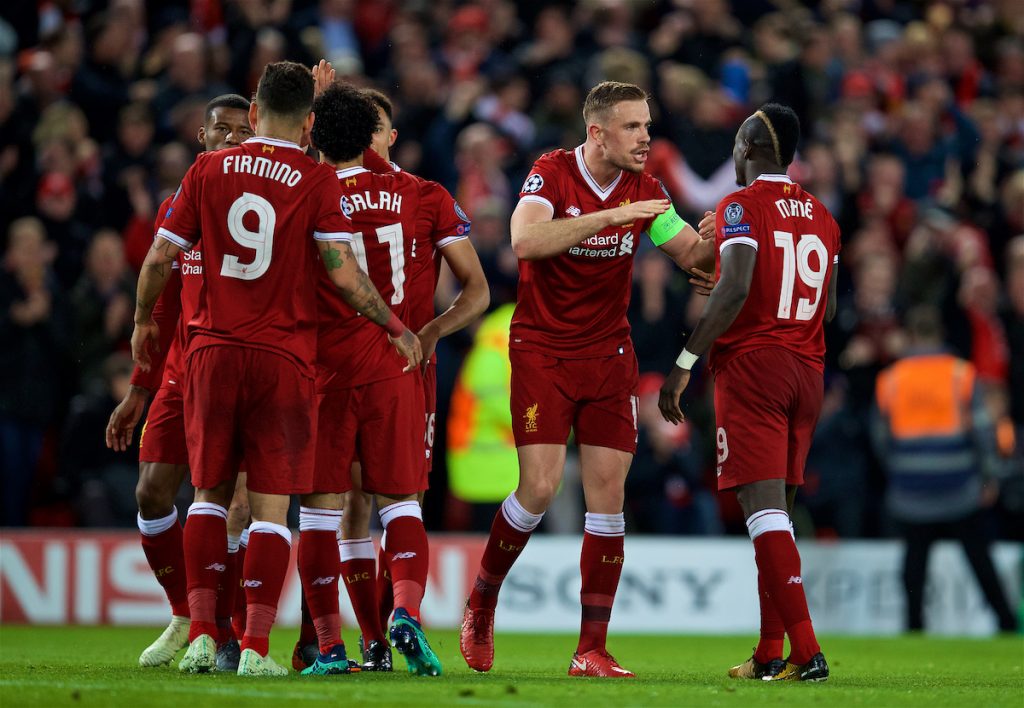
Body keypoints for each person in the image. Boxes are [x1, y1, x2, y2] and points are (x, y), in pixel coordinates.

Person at [130, 61, 421, 677]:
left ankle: (204, 636)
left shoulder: (206, 168)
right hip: (285, 357)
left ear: (254, 115)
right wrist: (393, 325)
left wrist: (140, 324)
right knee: (269, 507)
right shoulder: (315, 179)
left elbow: (160, 257)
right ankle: (257, 648)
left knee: (207, 497)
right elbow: (342, 271)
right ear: (309, 123)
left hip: (211, 350)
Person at [459, 80, 715, 678]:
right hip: (543, 350)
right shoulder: (551, 172)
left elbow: (689, 255)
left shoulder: (647, 191)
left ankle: (591, 649)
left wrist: (714, 243)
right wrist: (615, 214)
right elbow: (526, 240)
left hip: (608, 355)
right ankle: (482, 601)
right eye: (633, 127)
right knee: (541, 490)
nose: (646, 138)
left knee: (608, 500)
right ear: (597, 132)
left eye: (648, 127)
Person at [658, 103, 839, 682]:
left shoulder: (739, 206)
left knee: (760, 512)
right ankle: (768, 652)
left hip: (755, 368)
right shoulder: (824, 217)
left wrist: (686, 361)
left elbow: (733, 288)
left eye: (737, 145)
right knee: (778, 515)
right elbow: (827, 306)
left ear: (750, 148)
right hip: (808, 371)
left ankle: (807, 652)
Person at [106, 94, 256, 671]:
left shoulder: (261, 205)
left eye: (244, 130)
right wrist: (138, 393)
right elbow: (163, 308)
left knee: (232, 503)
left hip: (241, 369)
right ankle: (183, 614)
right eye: (222, 129)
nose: (232, 138)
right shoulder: (179, 206)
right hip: (180, 373)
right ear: (201, 135)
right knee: (150, 493)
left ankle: (230, 630)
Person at [872, 305, 1018, 633]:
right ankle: (1006, 622)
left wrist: (899, 470)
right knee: (979, 559)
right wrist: (989, 476)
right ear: (941, 334)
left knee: (914, 563)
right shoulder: (960, 374)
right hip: (959, 486)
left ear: (910, 337)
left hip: (910, 487)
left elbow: (880, 438)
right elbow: (982, 430)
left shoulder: (891, 379)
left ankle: (913, 626)